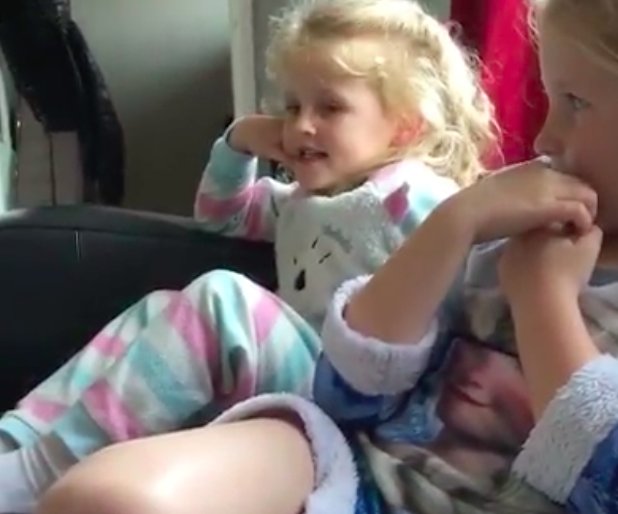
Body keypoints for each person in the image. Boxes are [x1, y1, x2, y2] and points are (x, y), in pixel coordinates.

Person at [34, 0, 618, 513]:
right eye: (292, 106)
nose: (543, 138)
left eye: (575, 101)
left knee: (222, 299)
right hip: (347, 465)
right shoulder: (500, 223)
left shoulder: (412, 196)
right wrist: (458, 222)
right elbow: (350, 394)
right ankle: (26, 448)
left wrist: (542, 297)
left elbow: (604, 480)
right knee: (101, 499)